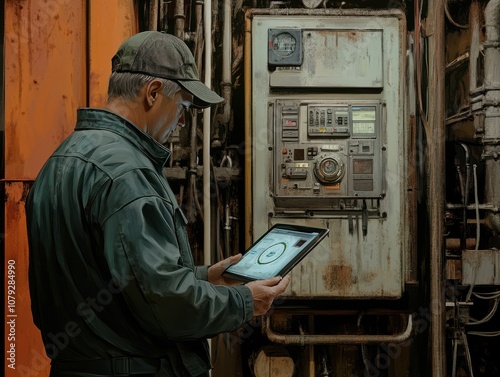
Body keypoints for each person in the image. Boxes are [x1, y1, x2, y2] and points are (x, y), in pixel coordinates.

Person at [26, 31, 290, 377]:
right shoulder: (127, 173)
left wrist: (204, 278)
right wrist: (244, 301)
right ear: (152, 93)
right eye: (181, 107)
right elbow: (164, 303)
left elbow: (116, 280)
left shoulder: (60, 160)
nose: (183, 122)